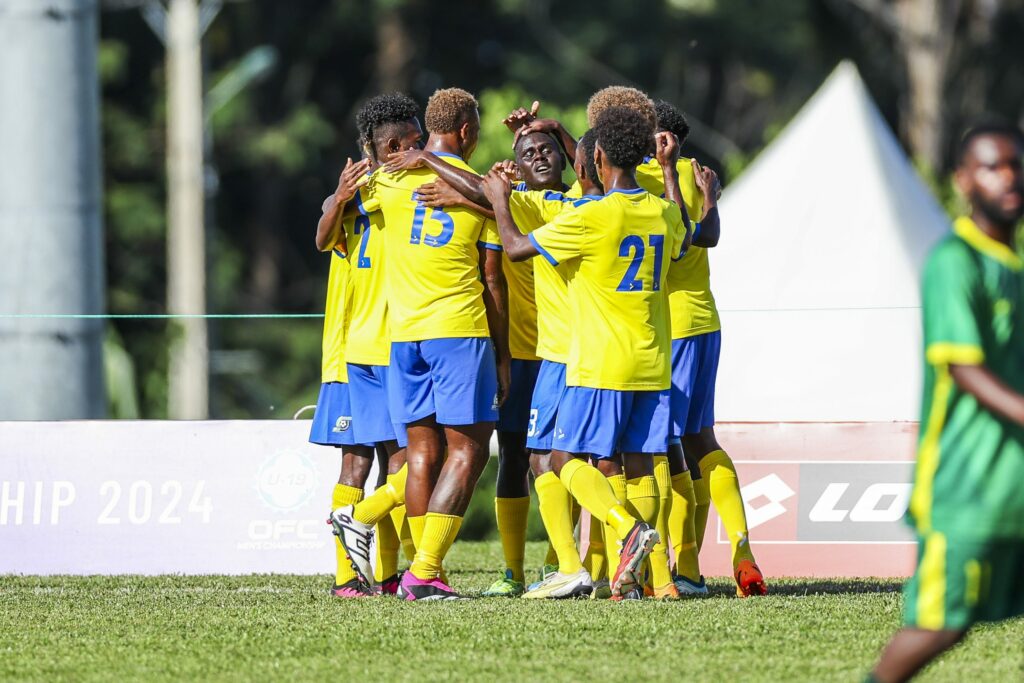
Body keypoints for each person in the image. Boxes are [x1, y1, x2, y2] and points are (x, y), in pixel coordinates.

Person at [482, 106, 691, 599]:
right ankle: (645, 574)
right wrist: (667, 172)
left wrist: (498, 198)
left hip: (600, 361)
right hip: (653, 360)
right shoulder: (662, 210)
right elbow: (682, 237)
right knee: (640, 464)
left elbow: (513, 248)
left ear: (594, 158)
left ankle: (624, 530)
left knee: (561, 460)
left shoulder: (590, 216)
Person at [392, 127, 608, 598]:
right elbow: (489, 210)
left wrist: (553, 128)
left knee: (570, 457)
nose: (540, 157)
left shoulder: (579, 202)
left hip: (569, 352)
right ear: (519, 166)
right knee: (516, 459)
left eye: (548, 150)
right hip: (522, 352)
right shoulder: (516, 203)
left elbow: (494, 201)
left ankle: (562, 561)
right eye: (529, 153)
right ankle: (513, 571)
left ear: (571, 161)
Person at [334, 87, 511, 601]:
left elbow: (335, 211)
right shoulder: (475, 190)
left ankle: (373, 529)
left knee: (420, 454)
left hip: (403, 337)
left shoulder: (389, 180)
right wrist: (502, 355)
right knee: (469, 452)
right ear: (467, 132)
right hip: (457, 331)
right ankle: (425, 569)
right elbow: (494, 277)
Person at [866, 121, 1024, 683]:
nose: (1007, 178)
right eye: (991, 166)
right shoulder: (954, 261)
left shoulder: (1015, 269)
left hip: (1016, 484)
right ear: (963, 180)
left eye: (1015, 166)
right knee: (940, 625)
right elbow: (965, 369)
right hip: (966, 487)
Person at [319, 93, 424, 597]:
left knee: (398, 460)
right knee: (362, 461)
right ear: (370, 148)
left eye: (413, 142)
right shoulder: (363, 192)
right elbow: (322, 236)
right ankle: (349, 575)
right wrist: (339, 198)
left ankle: (383, 573)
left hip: (396, 342)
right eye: (392, 145)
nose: (404, 151)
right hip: (355, 346)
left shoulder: (415, 188)